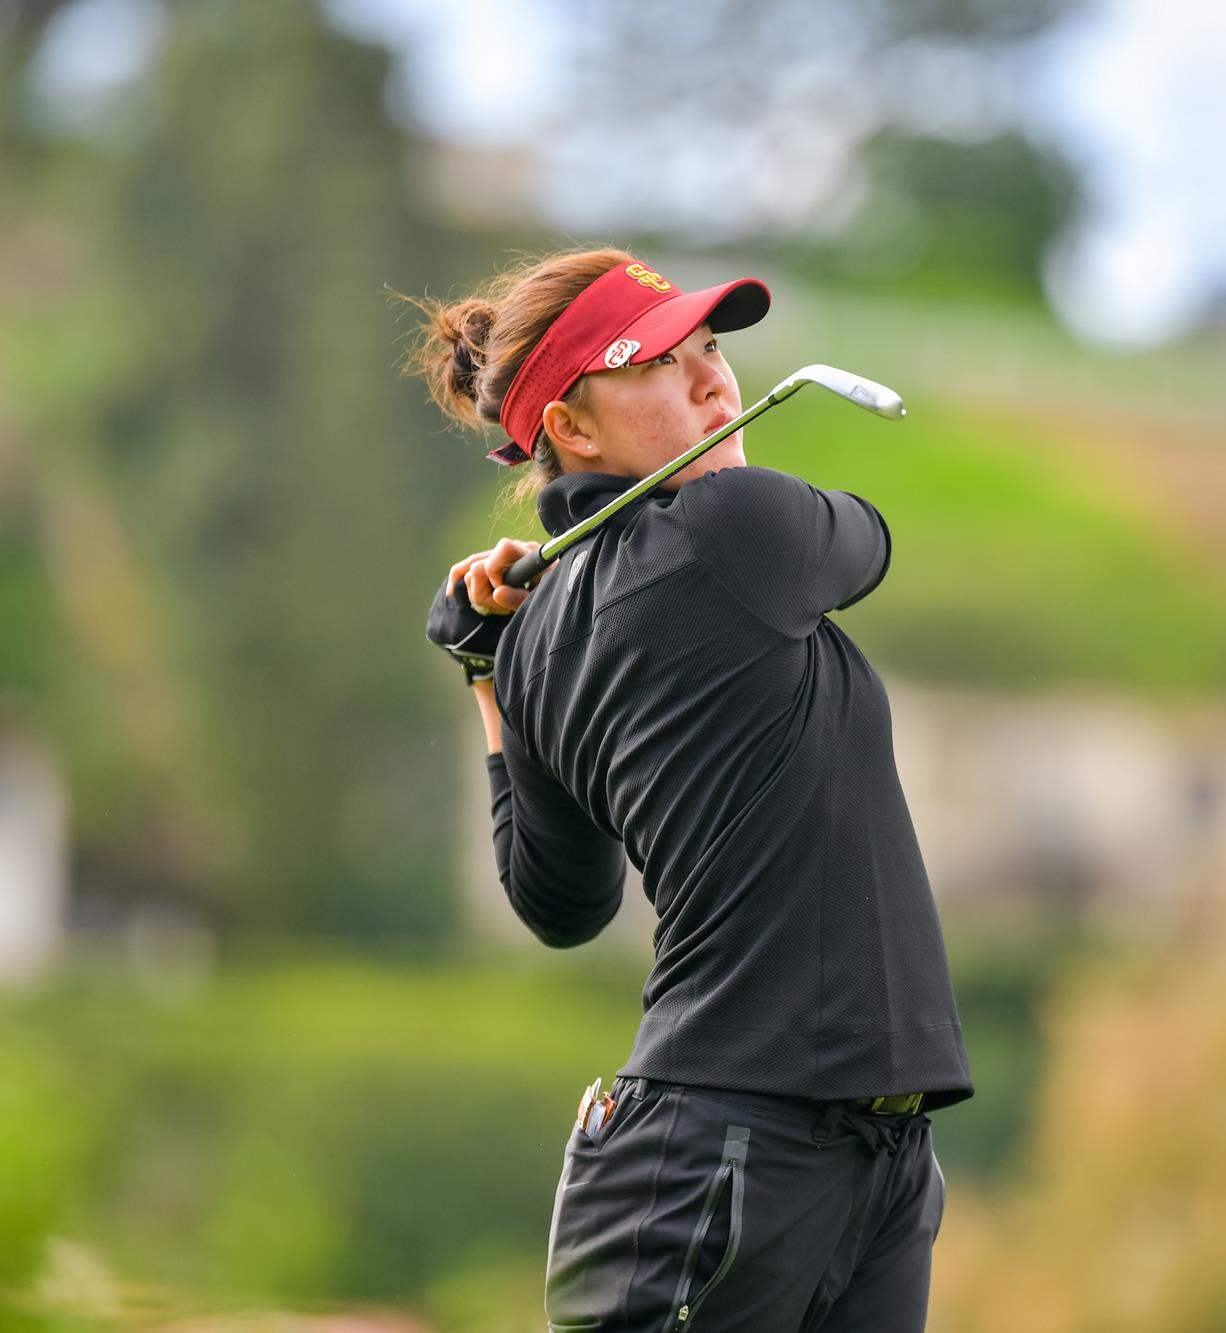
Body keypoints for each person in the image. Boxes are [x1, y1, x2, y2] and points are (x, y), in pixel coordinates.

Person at [405, 247, 974, 1330]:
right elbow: (869, 538)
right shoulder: (736, 528)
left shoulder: (536, 646)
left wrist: (489, 670)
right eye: (664, 365)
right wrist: (502, 664)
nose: (716, 381)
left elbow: (560, 903)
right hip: (718, 1151)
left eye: (710, 349)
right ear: (571, 427)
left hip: (865, 1151)